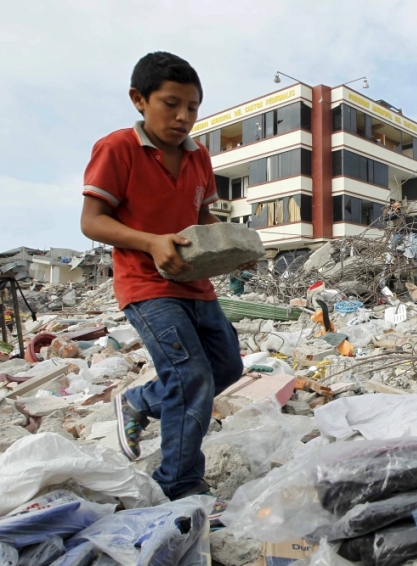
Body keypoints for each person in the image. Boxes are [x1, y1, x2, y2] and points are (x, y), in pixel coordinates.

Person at [79, 52, 244, 512]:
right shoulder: (118, 148)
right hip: (147, 286)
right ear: (139, 100)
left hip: (196, 285)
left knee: (227, 367)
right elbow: (92, 221)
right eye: (171, 104)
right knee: (191, 378)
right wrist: (150, 242)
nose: (183, 117)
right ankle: (179, 484)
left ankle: (138, 401)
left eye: (192, 107)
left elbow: (203, 217)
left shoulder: (199, 157)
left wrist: (231, 246)